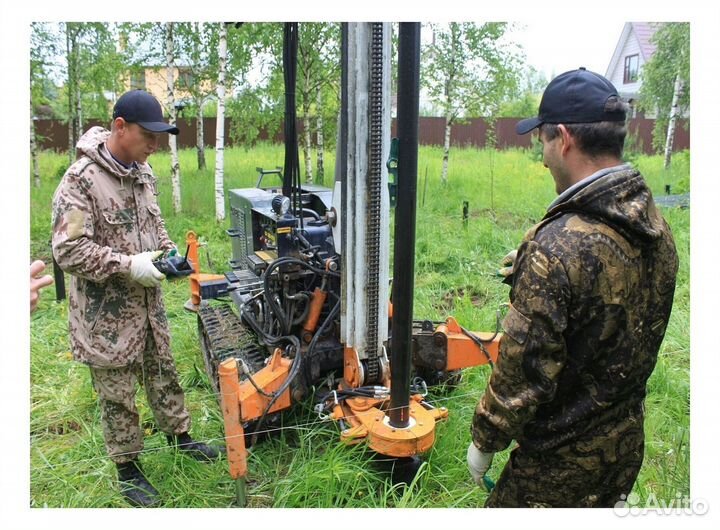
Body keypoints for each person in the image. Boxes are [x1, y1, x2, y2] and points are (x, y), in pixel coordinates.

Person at [467, 68, 678, 507]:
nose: (542, 158)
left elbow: (523, 368)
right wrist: (535, 264)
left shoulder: (558, 249)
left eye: (542, 141)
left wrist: (484, 441)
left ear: (563, 138)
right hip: (623, 449)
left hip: (555, 466)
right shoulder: (658, 228)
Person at [52, 90, 220, 507]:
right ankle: (128, 468)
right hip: (105, 317)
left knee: (164, 372)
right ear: (120, 127)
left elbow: (155, 227)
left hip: (148, 307)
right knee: (117, 394)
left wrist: (167, 258)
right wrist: (130, 266)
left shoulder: (144, 174)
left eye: (159, 137)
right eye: (148, 135)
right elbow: (68, 251)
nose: (154, 146)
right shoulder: (80, 180)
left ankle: (180, 437)